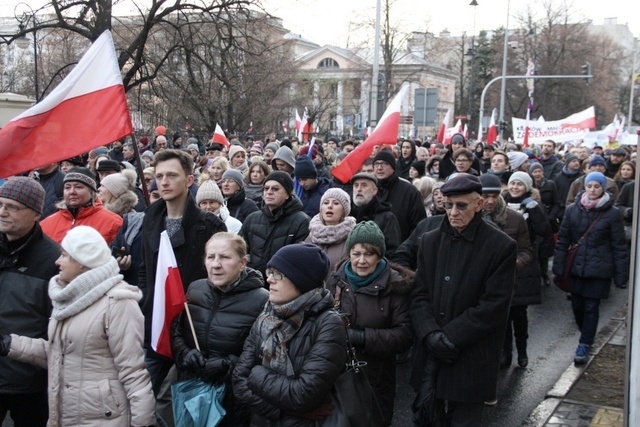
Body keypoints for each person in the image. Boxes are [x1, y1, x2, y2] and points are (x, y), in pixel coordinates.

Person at [0, 226, 155, 426]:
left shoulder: (118, 302)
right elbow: (59, 353)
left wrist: (143, 423)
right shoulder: (66, 297)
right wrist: (9, 344)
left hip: (103, 417)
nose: (57, 261)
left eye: (64, 255)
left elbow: (133, 372)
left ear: (83, 263)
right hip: (67, 412)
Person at [410, 174, 517, 426]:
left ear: (479, 204)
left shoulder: (501, 246)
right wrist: (430, 334)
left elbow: (494, 305)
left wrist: (451, 337)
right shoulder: (430, 241)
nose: (453, 212)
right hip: (430, 355)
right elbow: (419, 294)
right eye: (448, 205)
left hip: (471, 358)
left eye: (462, 206)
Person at [138, 149, 226, 410]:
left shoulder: (209, 224)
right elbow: (145, 268)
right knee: (140, 400)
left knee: (191, 407)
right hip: (157, 322)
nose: (163, 182)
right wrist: (146, 302)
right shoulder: (150, 219)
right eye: (160, 176)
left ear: (189, 180)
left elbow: (221, 276)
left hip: (194, 328)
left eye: (172, 175)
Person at [232, 243, 347, 425]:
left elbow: (303, 395)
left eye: (278, 274)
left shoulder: (328, 324)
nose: (269, 279)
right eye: (270, 272)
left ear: (303, 280)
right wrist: (279, 409)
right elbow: (239, 382)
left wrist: (256, 374)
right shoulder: (267, 315)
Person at [171, 232, 269, 426]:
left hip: (235, 399)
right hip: (192, 390)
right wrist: (185, 354)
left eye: (224, 257)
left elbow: (265, 353)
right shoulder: (195, 290)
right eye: (211, 257)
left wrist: (227, 364)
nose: (216, 264)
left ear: (242, 263)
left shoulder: (263, 300)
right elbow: (177, 331)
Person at [326, 221, 413, 426]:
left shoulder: (395, 286)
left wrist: (361, 337)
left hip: (376, 378)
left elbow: (404, 335)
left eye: (369, 254)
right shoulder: (336, 280)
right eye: (356, 254)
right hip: (337, 374)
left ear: (380, 255)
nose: (362, 260)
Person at [0, 177, 60, 427]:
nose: (3, 212)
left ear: (36, 213)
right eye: (0, 204)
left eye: (12, 206)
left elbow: (58, 326)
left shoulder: (53, 259)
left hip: (29, 381)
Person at [553, 172, 628, 364]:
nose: (593, 190)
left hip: (600, 269)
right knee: (577, 306)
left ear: (603, 188)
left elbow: (619, 245)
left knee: (591, 307)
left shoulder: (612, 213)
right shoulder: (572, 210)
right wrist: (559, 267)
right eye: (589, 186)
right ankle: (586, 334)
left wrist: (621, 276)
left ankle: (585, 343)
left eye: (596, 186)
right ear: (584, 187)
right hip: (577, 267)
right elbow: (563, 240)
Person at [240, 171, 310, 277]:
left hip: (283, 285)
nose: (269, 192)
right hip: (252, 283)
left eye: (275, 189)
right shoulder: (252, 219)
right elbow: (240, 251)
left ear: (287, 194)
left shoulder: (302, 221)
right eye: (266, 188)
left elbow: (299, 261)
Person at [40, 167, 123, 244]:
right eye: (67, 187)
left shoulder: (113, 223)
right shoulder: (45, 225)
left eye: (78, 187)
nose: (72, 191)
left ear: (91, 192)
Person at [372, 149, 427, 241]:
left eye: (384, 164)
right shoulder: (370, 189)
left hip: (401, 249)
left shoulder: (409, 191)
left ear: (393, 167)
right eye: (376, 164)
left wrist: (407, 250)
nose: (379, 167)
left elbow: (419, 225)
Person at [305, 188, 357, 273]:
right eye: (326, 203)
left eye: (336, 203)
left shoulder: (351, 239)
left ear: (344, 210)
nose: (329, 206)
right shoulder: (311, 235)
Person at [351, 172, 401, 257]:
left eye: (364, 185)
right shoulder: (346, 215)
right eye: (356, 185)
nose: (359, 189)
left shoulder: (387, 217)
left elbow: (392, 251)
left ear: (374, 191)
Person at [530, 162, 563, 286]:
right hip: (534, 221)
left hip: (548, 221)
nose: (537, 174)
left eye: (539, 171)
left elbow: (557, 203)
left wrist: (550, 218)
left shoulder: (550, 184)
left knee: (544, 251)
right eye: (535, 172)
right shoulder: (529, 185)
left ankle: (544, 274)